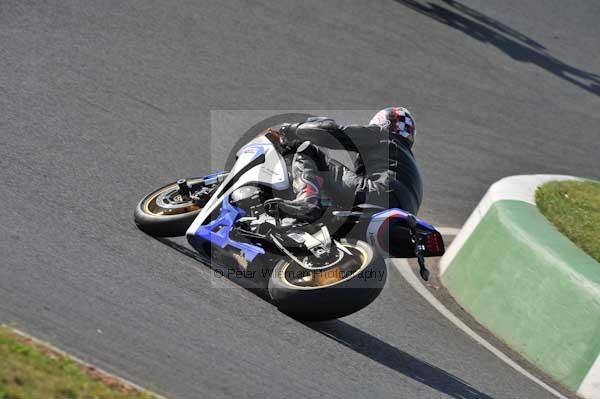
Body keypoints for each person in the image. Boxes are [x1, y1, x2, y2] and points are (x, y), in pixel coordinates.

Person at [263, 107, 423, 222]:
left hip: (377, 194)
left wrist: (291, 130)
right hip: (403, 218)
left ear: (383, 123)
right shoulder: (408, 165)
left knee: (307, 151)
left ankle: (307, 200)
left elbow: (330, 133)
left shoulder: (381, 134)